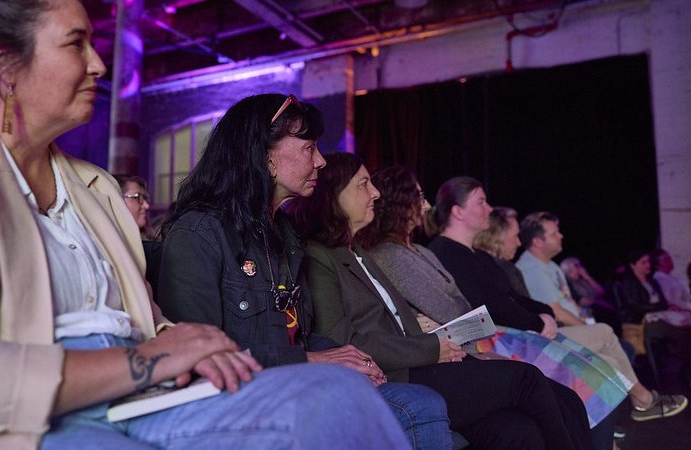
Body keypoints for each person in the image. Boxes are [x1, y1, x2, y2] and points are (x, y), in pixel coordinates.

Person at [0, 3, 412, 448]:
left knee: (338, 398)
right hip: (31, 418)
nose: (98, 63)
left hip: (142, 396)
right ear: (2, 62)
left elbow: (146, 323)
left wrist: (193, 347)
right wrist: (147, 360)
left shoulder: (92, 186)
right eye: (76, 44)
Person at [155, 94, 451, 449]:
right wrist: (313, 359)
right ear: (265, 156)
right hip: (243, 394)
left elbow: (301, 332)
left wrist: (354, 358)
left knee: (422, 400)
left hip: (293, 379)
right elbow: (198, 354)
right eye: (309, 147)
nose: (321, 161)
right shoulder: (199, 234)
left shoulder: (284, 232)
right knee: (410, 408)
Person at [293, 154, 596, 450]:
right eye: (363, 184)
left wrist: (439, 345)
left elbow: (413, 318)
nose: (374, 193)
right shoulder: (322, 255)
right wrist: (434, 346)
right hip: (400, 372)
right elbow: (339, 342)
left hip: (423, 359)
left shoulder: (358, 251)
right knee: (527, 378)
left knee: (520, 431)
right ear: (334, 196)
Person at [356, 167, 627, 438]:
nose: (426, 206)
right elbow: (457, 310)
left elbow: (466, 306)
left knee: (567, 398)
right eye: (418, 197)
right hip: (450, 356)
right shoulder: (392, 256)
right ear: (400, 205)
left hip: (468, 347)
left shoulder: (422, 251)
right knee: (546, 394)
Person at [425, 179, 687, 423]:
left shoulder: (477, 256)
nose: (489, 208)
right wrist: (538, 322)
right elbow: (489, 307)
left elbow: (511, 298)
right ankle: (637, 404)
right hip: (494, 340)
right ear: (458, 212)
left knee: (599, 365)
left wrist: (543, 313)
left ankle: (633, 409)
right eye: (481, 202)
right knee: (591, 374)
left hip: (512, 331)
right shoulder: (444, 253)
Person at [114, 174, 152, 239]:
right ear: (117, 199)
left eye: (145, 198)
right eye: (138, 197)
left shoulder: (151, 242)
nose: (146, 206)